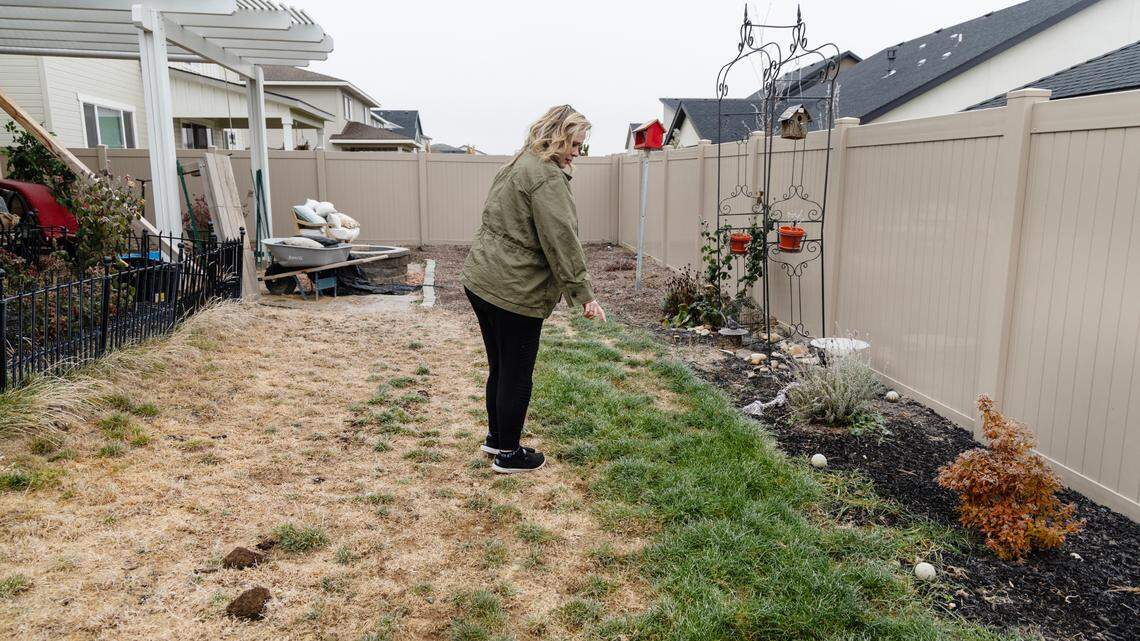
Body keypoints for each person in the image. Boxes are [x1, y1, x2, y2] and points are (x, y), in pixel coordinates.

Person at [460, 104, 606, 474]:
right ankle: (509, 454)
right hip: (513, 288)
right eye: (575, 144)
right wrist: (583, 294)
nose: (577, 153)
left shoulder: (520, 162)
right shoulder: (546, 177)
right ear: (558, 135)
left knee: (501, 366)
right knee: (517, 372)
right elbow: (562, 240)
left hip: (482, 278)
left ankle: (496, 439)